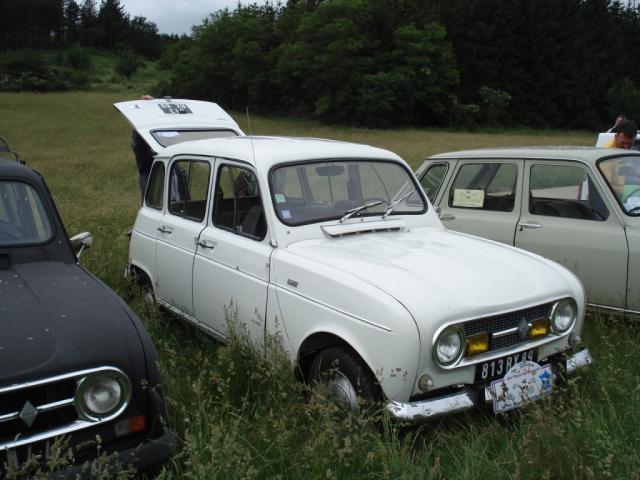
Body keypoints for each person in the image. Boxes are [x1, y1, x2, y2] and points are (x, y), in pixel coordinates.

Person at [131, 95, 155, 202]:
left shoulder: (141, 121)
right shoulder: (142, 124)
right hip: (144, 149)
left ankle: (148, 206)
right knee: (147, 172)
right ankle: (148, 206)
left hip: (142, 147)